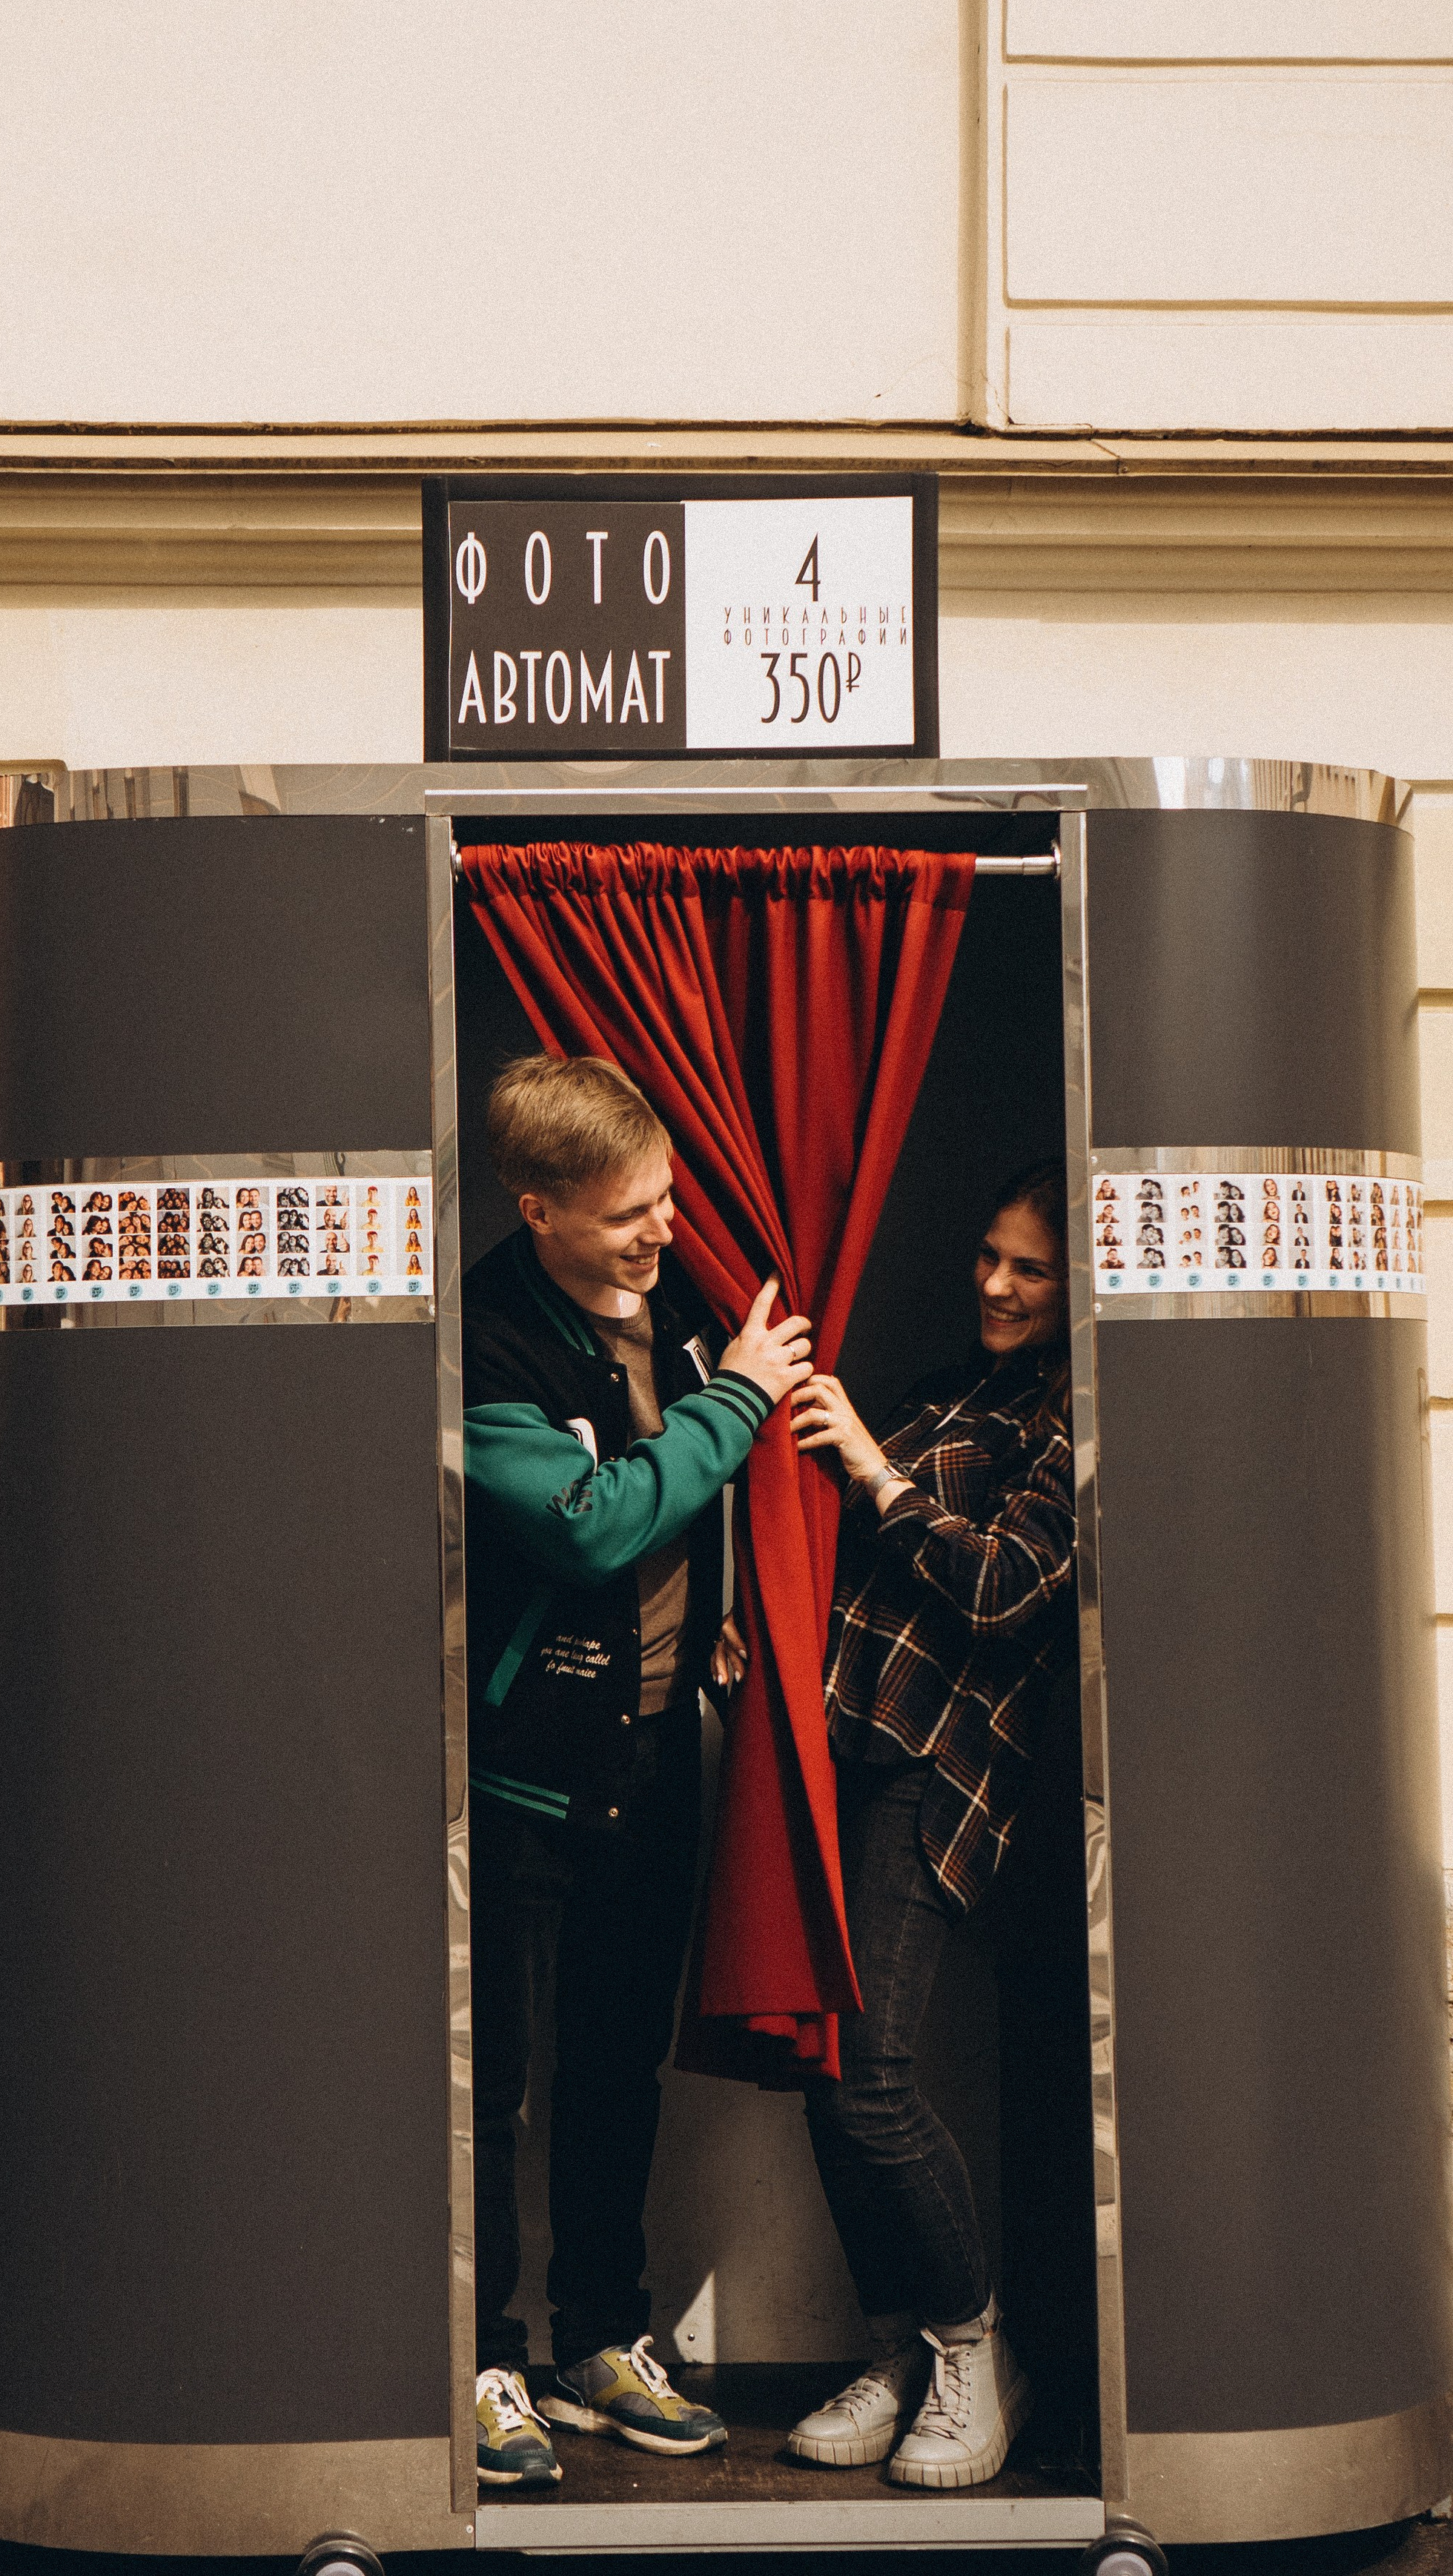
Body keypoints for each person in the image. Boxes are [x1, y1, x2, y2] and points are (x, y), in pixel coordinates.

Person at [462, 1053, 812, 2491]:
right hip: (522, 1776)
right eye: (626, 1216)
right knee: (490, 2086)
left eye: (665, 1200)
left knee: (616, 2073)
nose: (663, 1231)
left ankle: (602, 2341)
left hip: (659, 1754)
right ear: (538, 1211)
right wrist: (738, 1401)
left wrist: (725, 1600)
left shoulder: (678, 1312)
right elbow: (592, 1523)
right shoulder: (482, 1342)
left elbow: (684, 1514)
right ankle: (479, 2360)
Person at [769, 1158, 1076, 2490]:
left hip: (938, 1770)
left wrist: (877, 1474)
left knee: (873, 2082)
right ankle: (901, 2347)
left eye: (1030, 1269)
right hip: (842, 1745)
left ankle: (973, 2348)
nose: (995, 1284)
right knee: (825, 2065)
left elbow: (1006, 1590)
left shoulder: (1074, 1417)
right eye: (990, 1255)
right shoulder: (957, 1389)